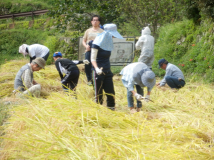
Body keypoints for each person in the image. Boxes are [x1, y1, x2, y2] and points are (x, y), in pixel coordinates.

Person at [91, 23, 123, 111]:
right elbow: (93, 59)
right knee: (99, 94)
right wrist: (97, 68)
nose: (113, 37)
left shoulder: (108, 43)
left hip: (107, 71)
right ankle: (98, 111)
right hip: (98, 71)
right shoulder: (96, 43)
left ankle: (111, 110)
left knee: (111, 93)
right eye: (112, 35)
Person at [82, 15, 104, 85]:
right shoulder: (88, 31)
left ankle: (98, 77)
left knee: (97, 64)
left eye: (96, 20)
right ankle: (89, 80)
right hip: (88, 50)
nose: (95, 21)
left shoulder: (102, 31)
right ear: (91, 22)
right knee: (87, 64)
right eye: (93, 20)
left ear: (99, 22)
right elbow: (84, 41)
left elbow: (104, 42)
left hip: (98, 50)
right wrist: (86, 46)